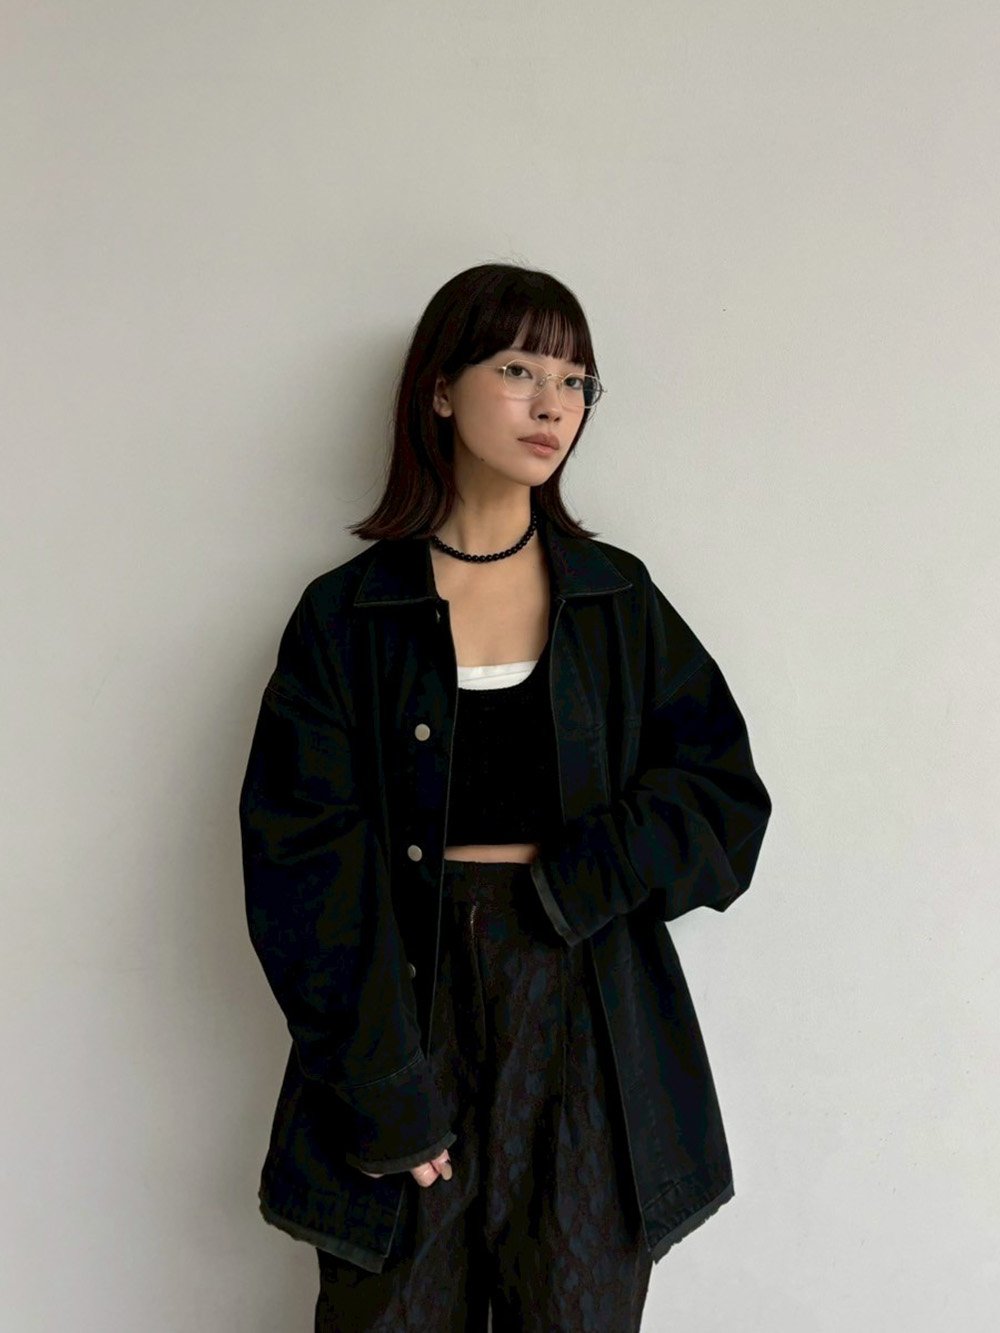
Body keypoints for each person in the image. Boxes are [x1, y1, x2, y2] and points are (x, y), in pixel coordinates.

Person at [238, 263, 772, 1331]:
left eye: (575, 380)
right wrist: (385, 1087)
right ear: (440, 388)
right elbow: (301, 864)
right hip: (405, 1013)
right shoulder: (348, 617)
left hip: (585, 1028)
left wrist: (584, 877)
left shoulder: (617, 602)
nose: (551, 404)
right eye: (520, 369)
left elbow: (723, 801)